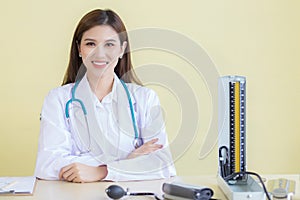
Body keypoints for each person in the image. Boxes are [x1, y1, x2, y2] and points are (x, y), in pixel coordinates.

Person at [34, 9, 176, 183]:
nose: (100, 54)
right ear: (79, 48)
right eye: (90, 44)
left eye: (109, 44)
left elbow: (163, 164)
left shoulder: (144, 98)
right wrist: (128, 158)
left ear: (122, 49)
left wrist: (102, 172)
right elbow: (47, 165)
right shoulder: (57, 99)